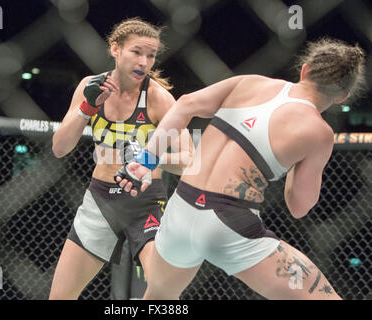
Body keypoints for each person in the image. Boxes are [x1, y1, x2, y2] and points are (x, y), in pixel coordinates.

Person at [115, 38, 365, 300]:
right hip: (229, 221)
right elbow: (299, 207)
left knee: (160, 298)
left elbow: (186, 104)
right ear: (342, 96)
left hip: (182, 208)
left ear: (305, 70)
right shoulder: (319, 132)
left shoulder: (250, 82)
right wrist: (297, 160)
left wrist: (146, 160)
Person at [49, 17, 193, 300]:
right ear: (115, 49)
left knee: (164, 294)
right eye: (137, 52)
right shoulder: (90, 86)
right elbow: (59, 148)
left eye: (150, 56)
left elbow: (189, 159)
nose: (144, 62)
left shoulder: (159, 98)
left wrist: (149, 160)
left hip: (147, 203)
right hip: (100, 201)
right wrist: (86, 107)